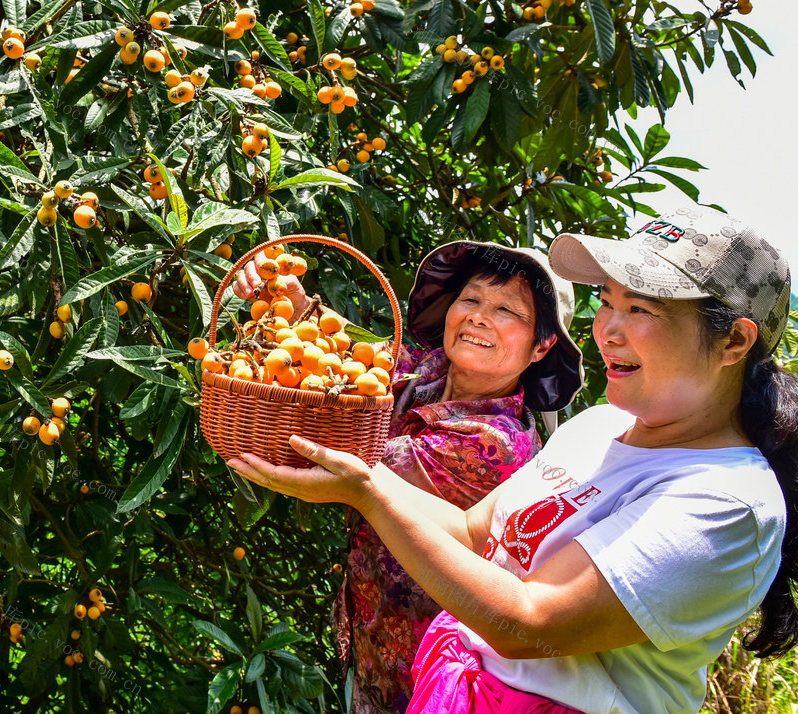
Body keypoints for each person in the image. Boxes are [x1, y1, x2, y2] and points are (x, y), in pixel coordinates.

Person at [228, 205, 797, 714]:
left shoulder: (728, 502)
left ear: (734, 343)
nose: (609, 329)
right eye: (607, 302)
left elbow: (531, 623)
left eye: (640, 308)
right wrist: (296, 315)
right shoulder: (597, 427)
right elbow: (476, 533)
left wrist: (366, 490)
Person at [233, 241, 584, 712]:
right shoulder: (431, 367)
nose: (479, 316)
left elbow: (353, 456)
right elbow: (354, 364)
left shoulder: (495, 442)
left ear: (542, 346)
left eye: (507, 311)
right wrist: (296, 305)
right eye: (472, 299)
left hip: (429, 674)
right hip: (369, 638)